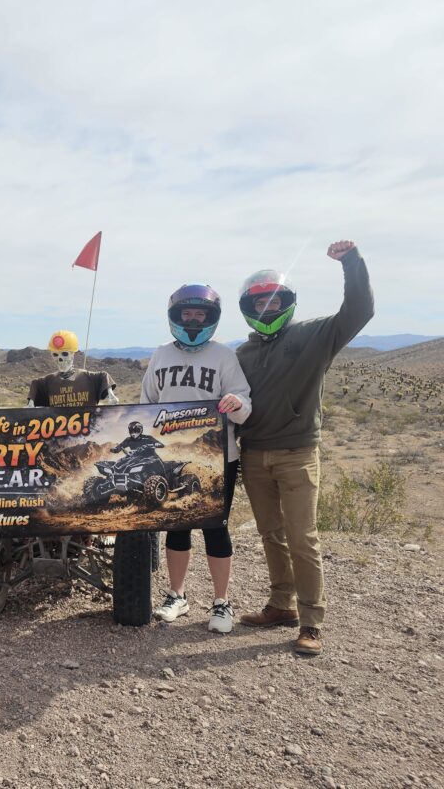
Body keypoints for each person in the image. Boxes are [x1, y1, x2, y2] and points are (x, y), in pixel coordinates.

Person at [236, 241, 374, 655]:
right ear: (248, 307)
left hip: (297, 453)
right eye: (260, 303)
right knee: (270, 534)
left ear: (289, 302)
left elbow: (360, 311)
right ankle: (282, 604)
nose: (268, 308)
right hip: (254, 453)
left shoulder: (314, 335)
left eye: (276, 301)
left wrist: (351, 263)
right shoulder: (241, 352)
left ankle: (312, 622)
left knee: (302, 537)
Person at [141, 284, 252, 634]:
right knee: (177, 524)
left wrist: (236, 403)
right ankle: (177, 595)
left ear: (210, 318)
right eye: (186, 314)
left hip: (218, 456)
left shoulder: (224, 356)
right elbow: (147, 403)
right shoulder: (160, 354)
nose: (192, 320)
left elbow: (245, 406)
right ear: (175, 317)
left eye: (198, 314)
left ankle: (222, 602)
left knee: (215, 528)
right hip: (172, 455)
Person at [27, 330, 118, 407]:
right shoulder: (48, 382)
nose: (60, 359)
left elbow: (103, 376)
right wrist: (30, 404)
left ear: (73, 354)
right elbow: (36, 384)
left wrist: (111, 395)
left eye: (65, 354)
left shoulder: (89, 378)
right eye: (55, 355)